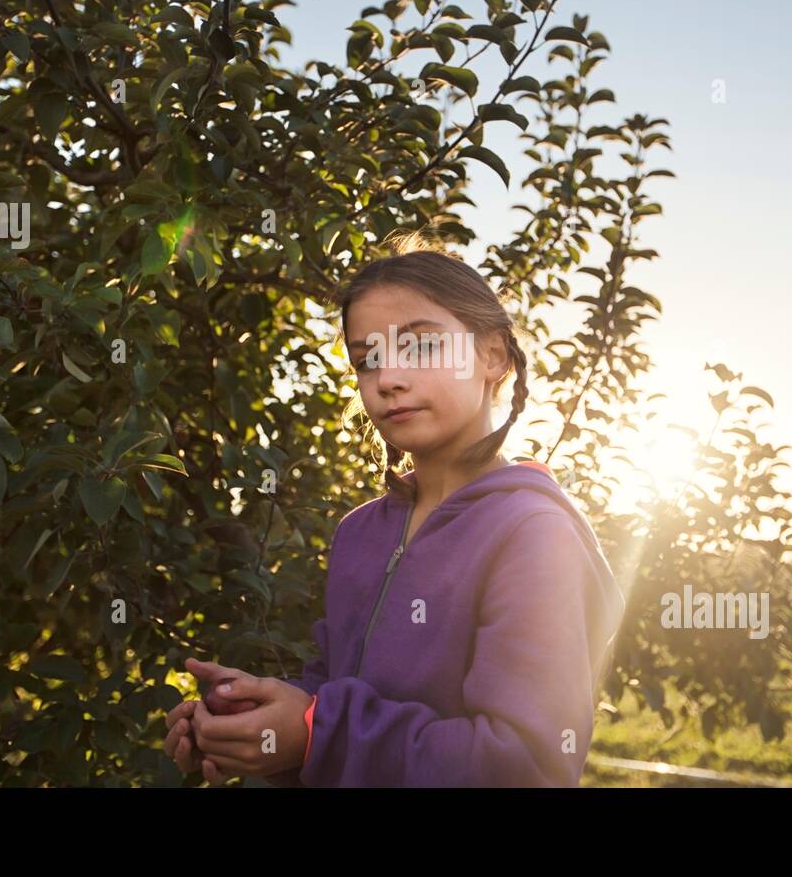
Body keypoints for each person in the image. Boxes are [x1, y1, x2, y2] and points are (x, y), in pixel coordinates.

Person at [162, 231, 626, 786]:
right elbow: (335, 700)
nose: (389, 378)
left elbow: (527, 764)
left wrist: (315, 732)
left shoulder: (533, 532)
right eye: (367, 359)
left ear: (493, 355)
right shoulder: (361, 531)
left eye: (422, 345)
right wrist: (254, 726)